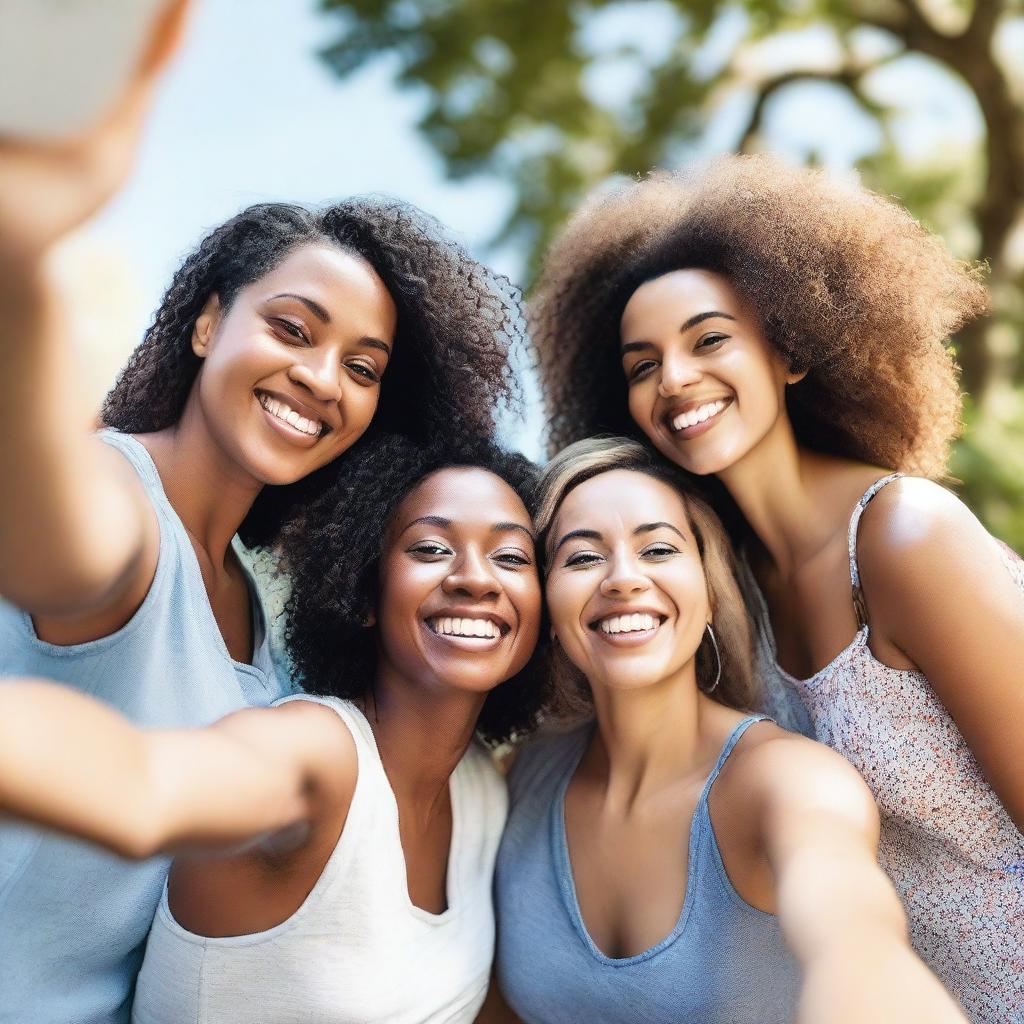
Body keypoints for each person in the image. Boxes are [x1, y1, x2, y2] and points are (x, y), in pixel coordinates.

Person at [0, 19, 527, 1021]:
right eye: (291, 327)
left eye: (362, 367)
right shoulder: (121, 504)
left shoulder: (267, 620)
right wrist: (18, 257)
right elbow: (56, 546)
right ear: (207, 323)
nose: (319, 378)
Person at [528, 155, 1024, 1021]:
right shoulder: (723, 594)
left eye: (708, 339)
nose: (675, 379)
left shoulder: (904, 537)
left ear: (790, 350)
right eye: (642, 365)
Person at [0, 435, 549, 1024]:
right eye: (432, 548)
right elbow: (146, 786)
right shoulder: (319, 757)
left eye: (511, 558)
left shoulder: (485, 798)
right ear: (365, 595)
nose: (475, 578)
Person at [487, 437, 967, 1024]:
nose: (622, 579)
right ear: (549, 606)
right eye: (583, 557)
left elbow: (852, 926)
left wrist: (871, 978)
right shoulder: (523, 779)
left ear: (709, 592)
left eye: (658, 549)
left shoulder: (787, 781)